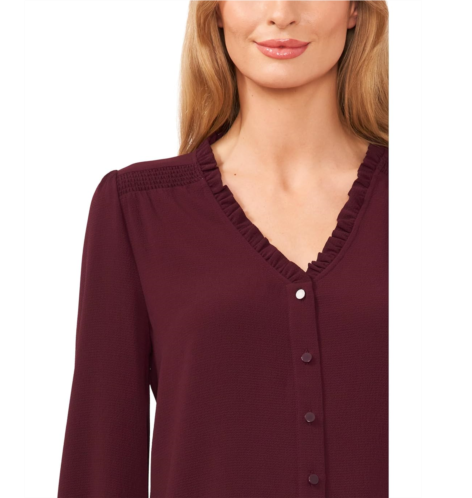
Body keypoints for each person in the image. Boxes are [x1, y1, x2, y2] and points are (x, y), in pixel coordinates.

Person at [58, 1, 389, 497]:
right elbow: (100, 460)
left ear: (355, 10)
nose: (281, 13)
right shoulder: (136, 209)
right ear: (215, 12)